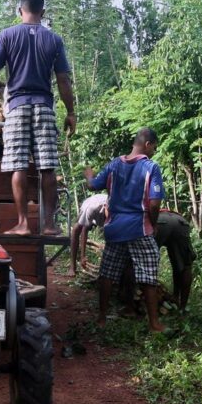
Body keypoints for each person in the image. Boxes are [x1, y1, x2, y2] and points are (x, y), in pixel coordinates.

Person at [0, 0, 75, 236]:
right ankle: (48, 225)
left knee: (19, 166)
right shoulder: (54, 40)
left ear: (20, 10)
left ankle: (23, 223)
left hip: (17, 105)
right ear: (42, 12)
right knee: (47, 166)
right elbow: (63, 80)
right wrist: (71, 112)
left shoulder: (7, 35)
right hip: (44, 106)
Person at [85, 128, 166, 333]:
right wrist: (153, 224)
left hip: (114, 230)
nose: (154, 151)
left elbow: (93, 186)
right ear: (147, 144)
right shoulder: (151, 167)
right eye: (154, 147)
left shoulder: (114, 165)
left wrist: (88, 175)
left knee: (107, 274)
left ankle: (102, 319)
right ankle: (154, 323)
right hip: (139, 228)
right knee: (148, 276)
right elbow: (154, 204)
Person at [70, 192, 108, 276]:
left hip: (101, 206)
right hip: (90, 204)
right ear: (105, 207)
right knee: (77, 229)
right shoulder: (91, 208)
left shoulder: (116, 207)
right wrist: (83, 256)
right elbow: (85, 229)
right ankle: (72, 266)